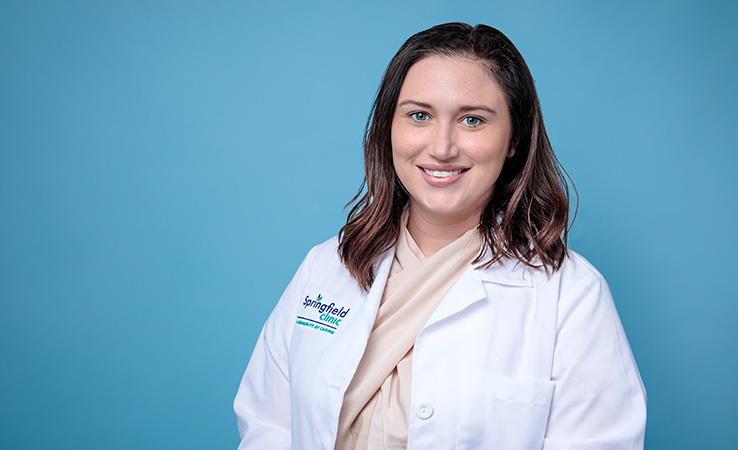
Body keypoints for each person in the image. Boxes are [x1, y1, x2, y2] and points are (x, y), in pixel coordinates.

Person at [234, 22, 646, 450]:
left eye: (472, 120)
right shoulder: (325, 267)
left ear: (513, 140)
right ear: (388, 128)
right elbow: (269, 424)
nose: (442, 147)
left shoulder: (571, 296)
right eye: (419, 115)